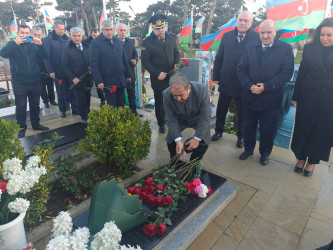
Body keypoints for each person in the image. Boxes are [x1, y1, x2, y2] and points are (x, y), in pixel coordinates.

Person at [237, 19, 294, 165]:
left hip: (271, 98)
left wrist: (267, 86)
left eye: (269, 32)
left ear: (275, 32)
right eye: (262, 32)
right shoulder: (250, 47)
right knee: (248, 126)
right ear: (259, 32)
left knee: (268, 129)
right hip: (250, 96)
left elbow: (287, 72)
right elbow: (241, 69)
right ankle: (248, 149)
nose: (265, 36)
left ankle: (265, 153)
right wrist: (249, 85)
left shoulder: (285, 49)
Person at [291, 18, 333, 177]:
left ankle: (312, 162)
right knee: (304, 128)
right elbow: (302, 72)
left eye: (329, 35)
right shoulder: (309, 48)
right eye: (322, 34)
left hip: (330, 99)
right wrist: (295, 95)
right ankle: (301, 157)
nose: (325, 38)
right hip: (309, 95)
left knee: (321, 132)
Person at [211, 11, 258, 148]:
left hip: (244, 83)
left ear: (251, 23)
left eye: (246, 21)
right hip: (226, 79)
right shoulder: (226, 36)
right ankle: (218, 131)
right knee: (221, 109)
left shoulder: (256, 38)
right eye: (240, 20)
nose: (242, 23)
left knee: (242, 112)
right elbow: (219, 57)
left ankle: (241, 136)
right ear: (237, 21)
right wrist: (216, 77)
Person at [0, 24, 50, 138]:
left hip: (35, 80)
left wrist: (41, 45)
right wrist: (15, 43)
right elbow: (3, 54)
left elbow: (46, 56)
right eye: (22, 33)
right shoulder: (12, 44)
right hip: (20, 82)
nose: (25, 35)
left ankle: (36, 124)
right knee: (21, 107)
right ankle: (21, 129)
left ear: (30, 34)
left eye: (27, 33)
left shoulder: (34, 45)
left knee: (35, 105)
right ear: (18, 33)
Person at [141, 14, 180, 134]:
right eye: (158, 29)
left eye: (162, 27)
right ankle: (161, 123)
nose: (161, 30)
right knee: (160, 102)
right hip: (158, 78)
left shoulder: (171, 38)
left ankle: (170, 119)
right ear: (153, 28)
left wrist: (176, 63)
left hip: (172, 76)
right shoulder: (147, 42)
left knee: (173, 99)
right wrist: (157, 73)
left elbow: (177, 53)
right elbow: (145, 61)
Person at [163, 74, 211, 161]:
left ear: (189, 88)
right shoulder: (166, 94)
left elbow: (205, 116)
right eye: (174, 95)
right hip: (179, 119)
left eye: (181, 95)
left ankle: (194, 162)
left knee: (204, 141)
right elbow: (170, 118)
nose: (177, 99)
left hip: (197, 119)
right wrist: (178, 140)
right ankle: (175, 161)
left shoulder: (202, 90)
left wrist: (196, 139)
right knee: (171, 140)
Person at [90, 20, 131, 107]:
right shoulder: (96, 43)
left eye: (111, 29)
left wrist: (128, 75)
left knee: (121, 105)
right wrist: (99, 81)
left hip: (120, 79)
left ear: (114, 29)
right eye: (107, 30)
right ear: (102, 30)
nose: (109, 32)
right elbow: (94, 64)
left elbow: (124, 59)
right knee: (112, 106)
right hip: (108, 81)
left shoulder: (118, 41)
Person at [43, 20, 79, 118]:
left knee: (73, 90)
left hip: (70, 71)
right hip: (58, 71)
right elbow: (46, 57)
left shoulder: (67, 39)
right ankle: (63, 109)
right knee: (61, 92)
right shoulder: (48, 40)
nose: (62, 31)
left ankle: (75, 109)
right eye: (60, 29)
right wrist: (50, 70)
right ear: (54, 28)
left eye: (63, 29)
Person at [62, 27, 93, 123]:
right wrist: (73, 77)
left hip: (88, 77)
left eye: (79, 36)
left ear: (82, 36)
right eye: (74, 36)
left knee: (88, 96)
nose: (77, 38)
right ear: (70, 36)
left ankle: (88, 112)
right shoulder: (67, 49)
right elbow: (65, 66)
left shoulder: (87, 46)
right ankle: (84, 116)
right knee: (81, 98)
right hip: (77, 79)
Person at [116, 23, 142, 117]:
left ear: (126, 31)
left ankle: (133, 112)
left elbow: (135, 53)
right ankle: (122, 114)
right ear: (117, 31)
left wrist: (135, 59)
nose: (123, 32)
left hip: (130, 72)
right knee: (121, 96)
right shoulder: (113, 41)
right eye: (121, 30)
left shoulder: (130, 41)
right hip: (119, 74)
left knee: (132, 94)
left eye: (124, 30)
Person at [32, 28, 57, 109]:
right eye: (35, 34)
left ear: (42, 34)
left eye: (39, 34)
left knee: (50, 86)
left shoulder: (46, 42)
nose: (37, 36)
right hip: (37, 70)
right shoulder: (31, 44)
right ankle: (45, 102)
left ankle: (52, 100)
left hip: (48, 68)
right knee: (42, 88)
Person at [84, 28, 105, 107]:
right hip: (89, 67)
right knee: (89, 85)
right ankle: (87, 102)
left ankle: (102, 99)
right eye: (94, 36)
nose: (96, 37)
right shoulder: (86, 43)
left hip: (99, 67)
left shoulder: (101, 42)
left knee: (98, 84)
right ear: (91, 35)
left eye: (97, 35)